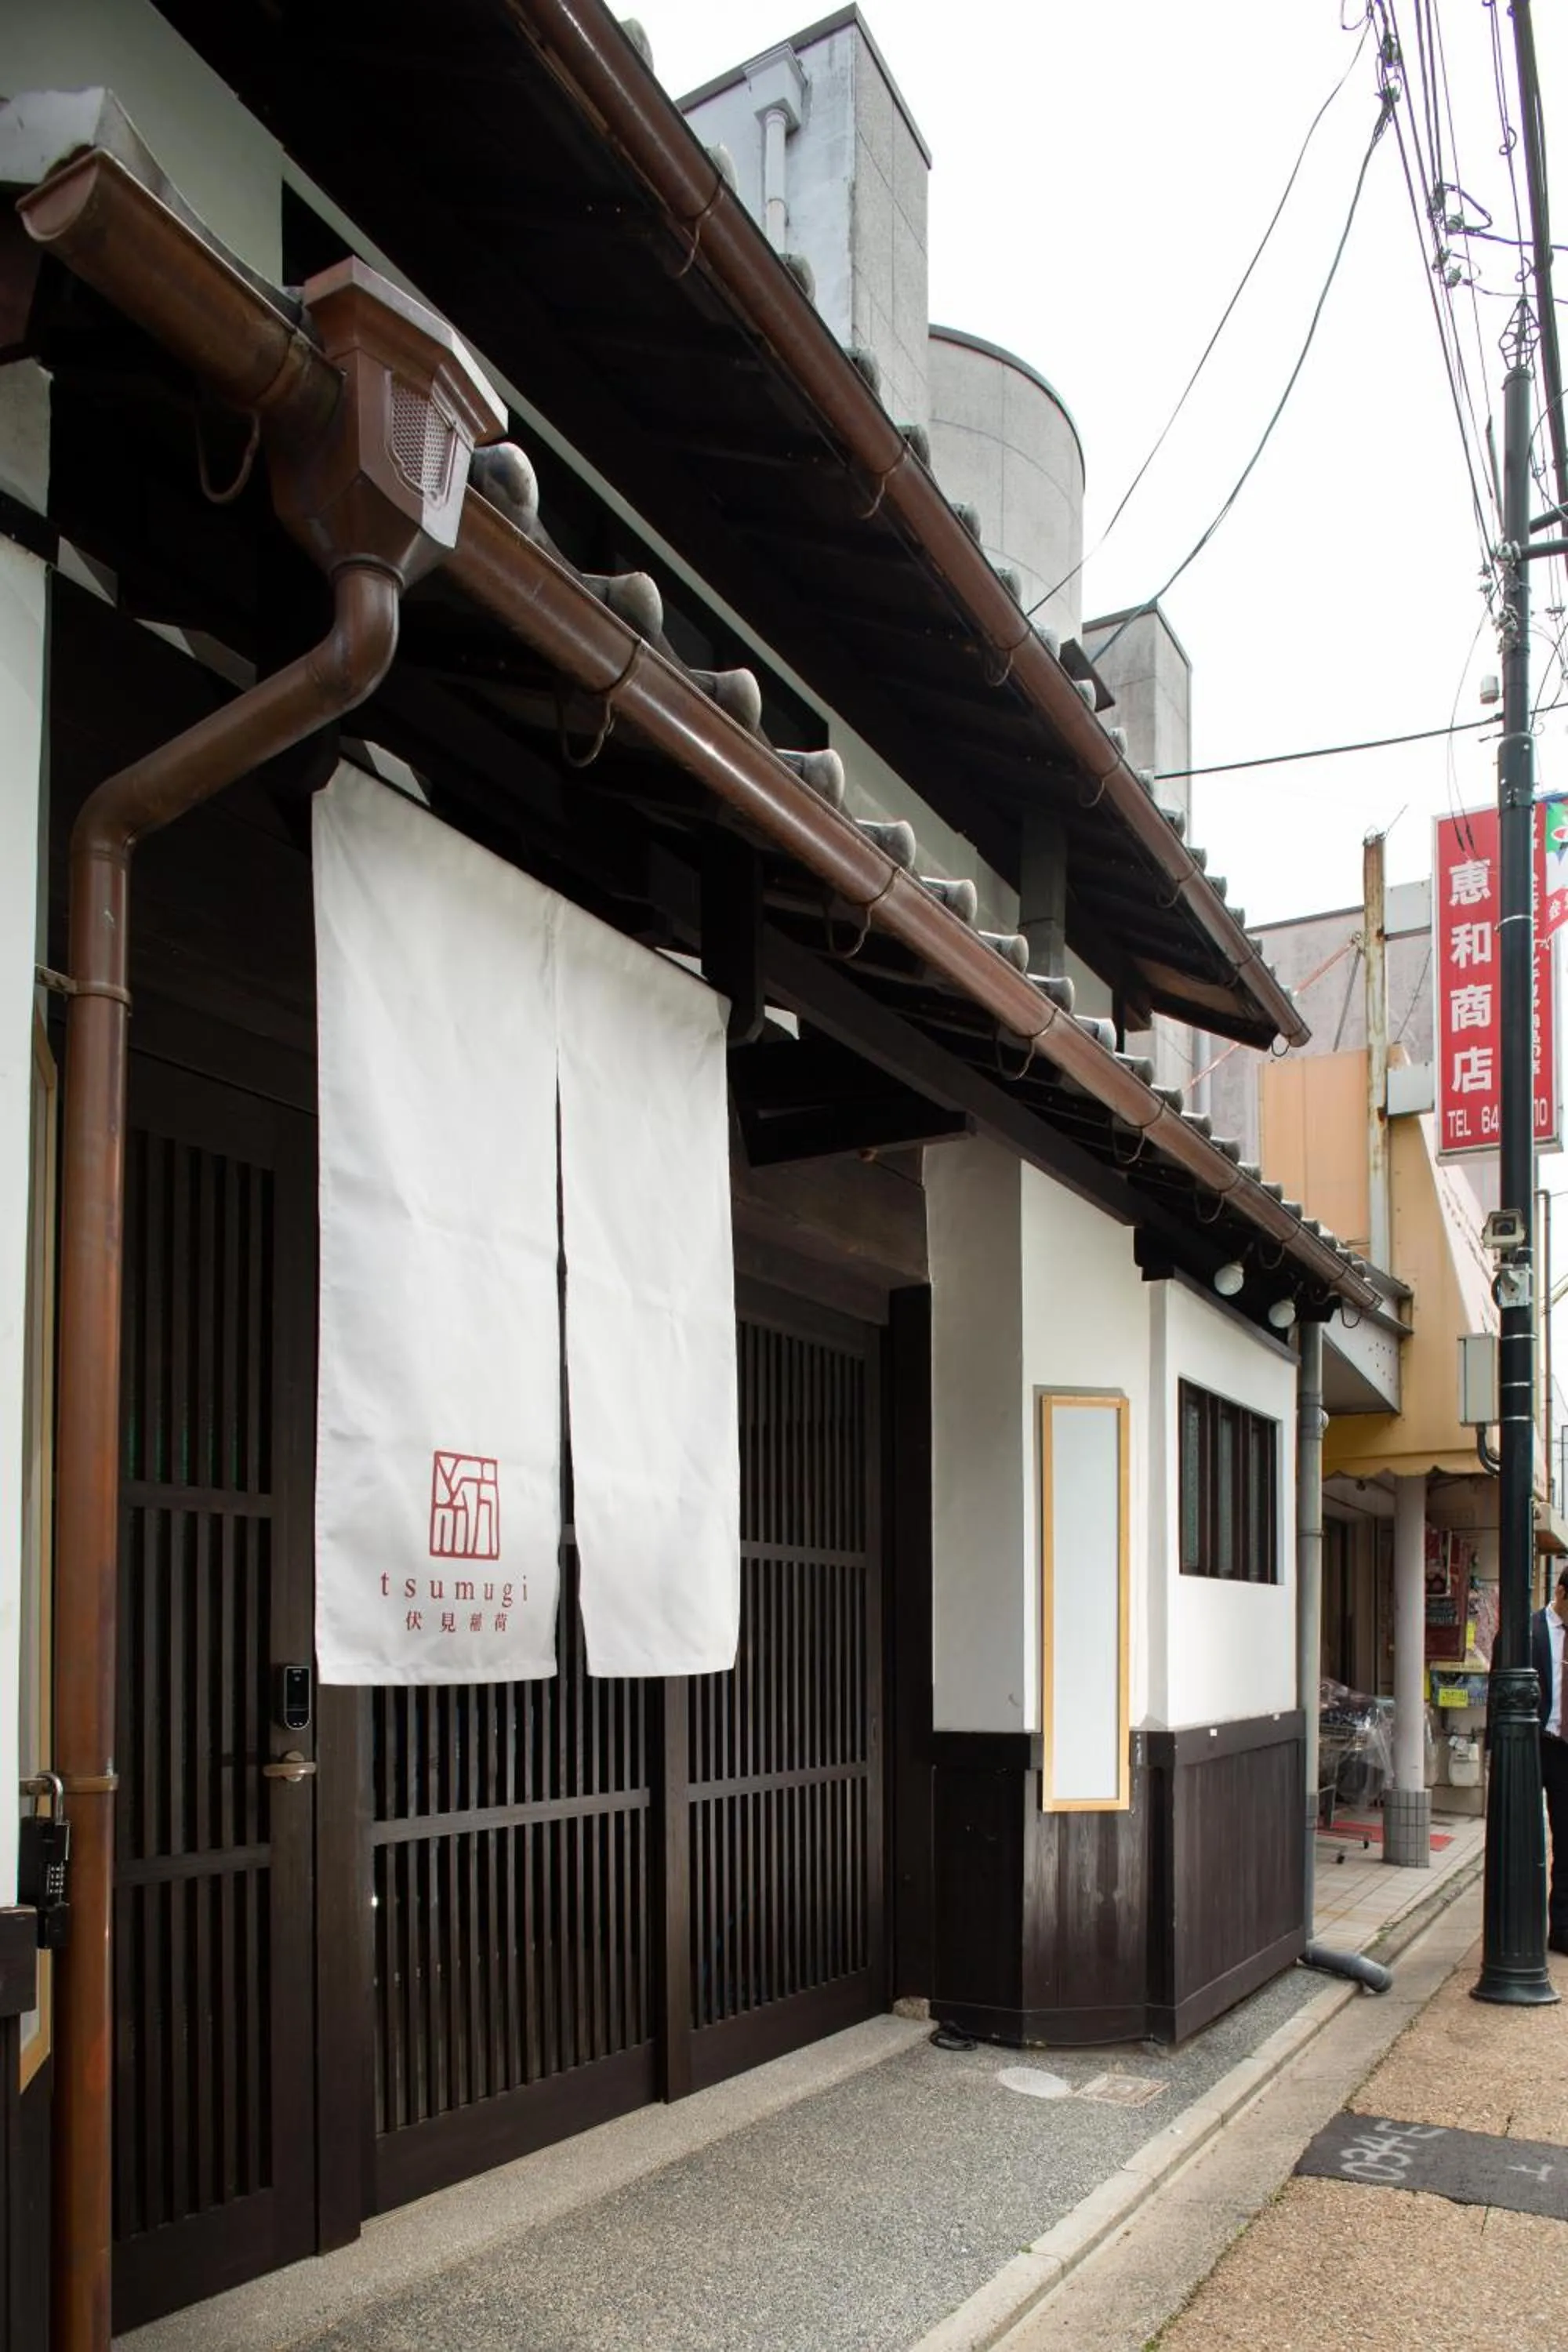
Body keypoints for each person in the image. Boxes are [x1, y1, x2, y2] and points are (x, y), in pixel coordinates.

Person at [1530, 1566, 1568, 1955]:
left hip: (1565, 1748)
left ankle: (1562, 1930)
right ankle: (1521, 1926)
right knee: (1525, 1840)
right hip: (1532, 1745)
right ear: (1561, 1592)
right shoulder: (1529, 1631)